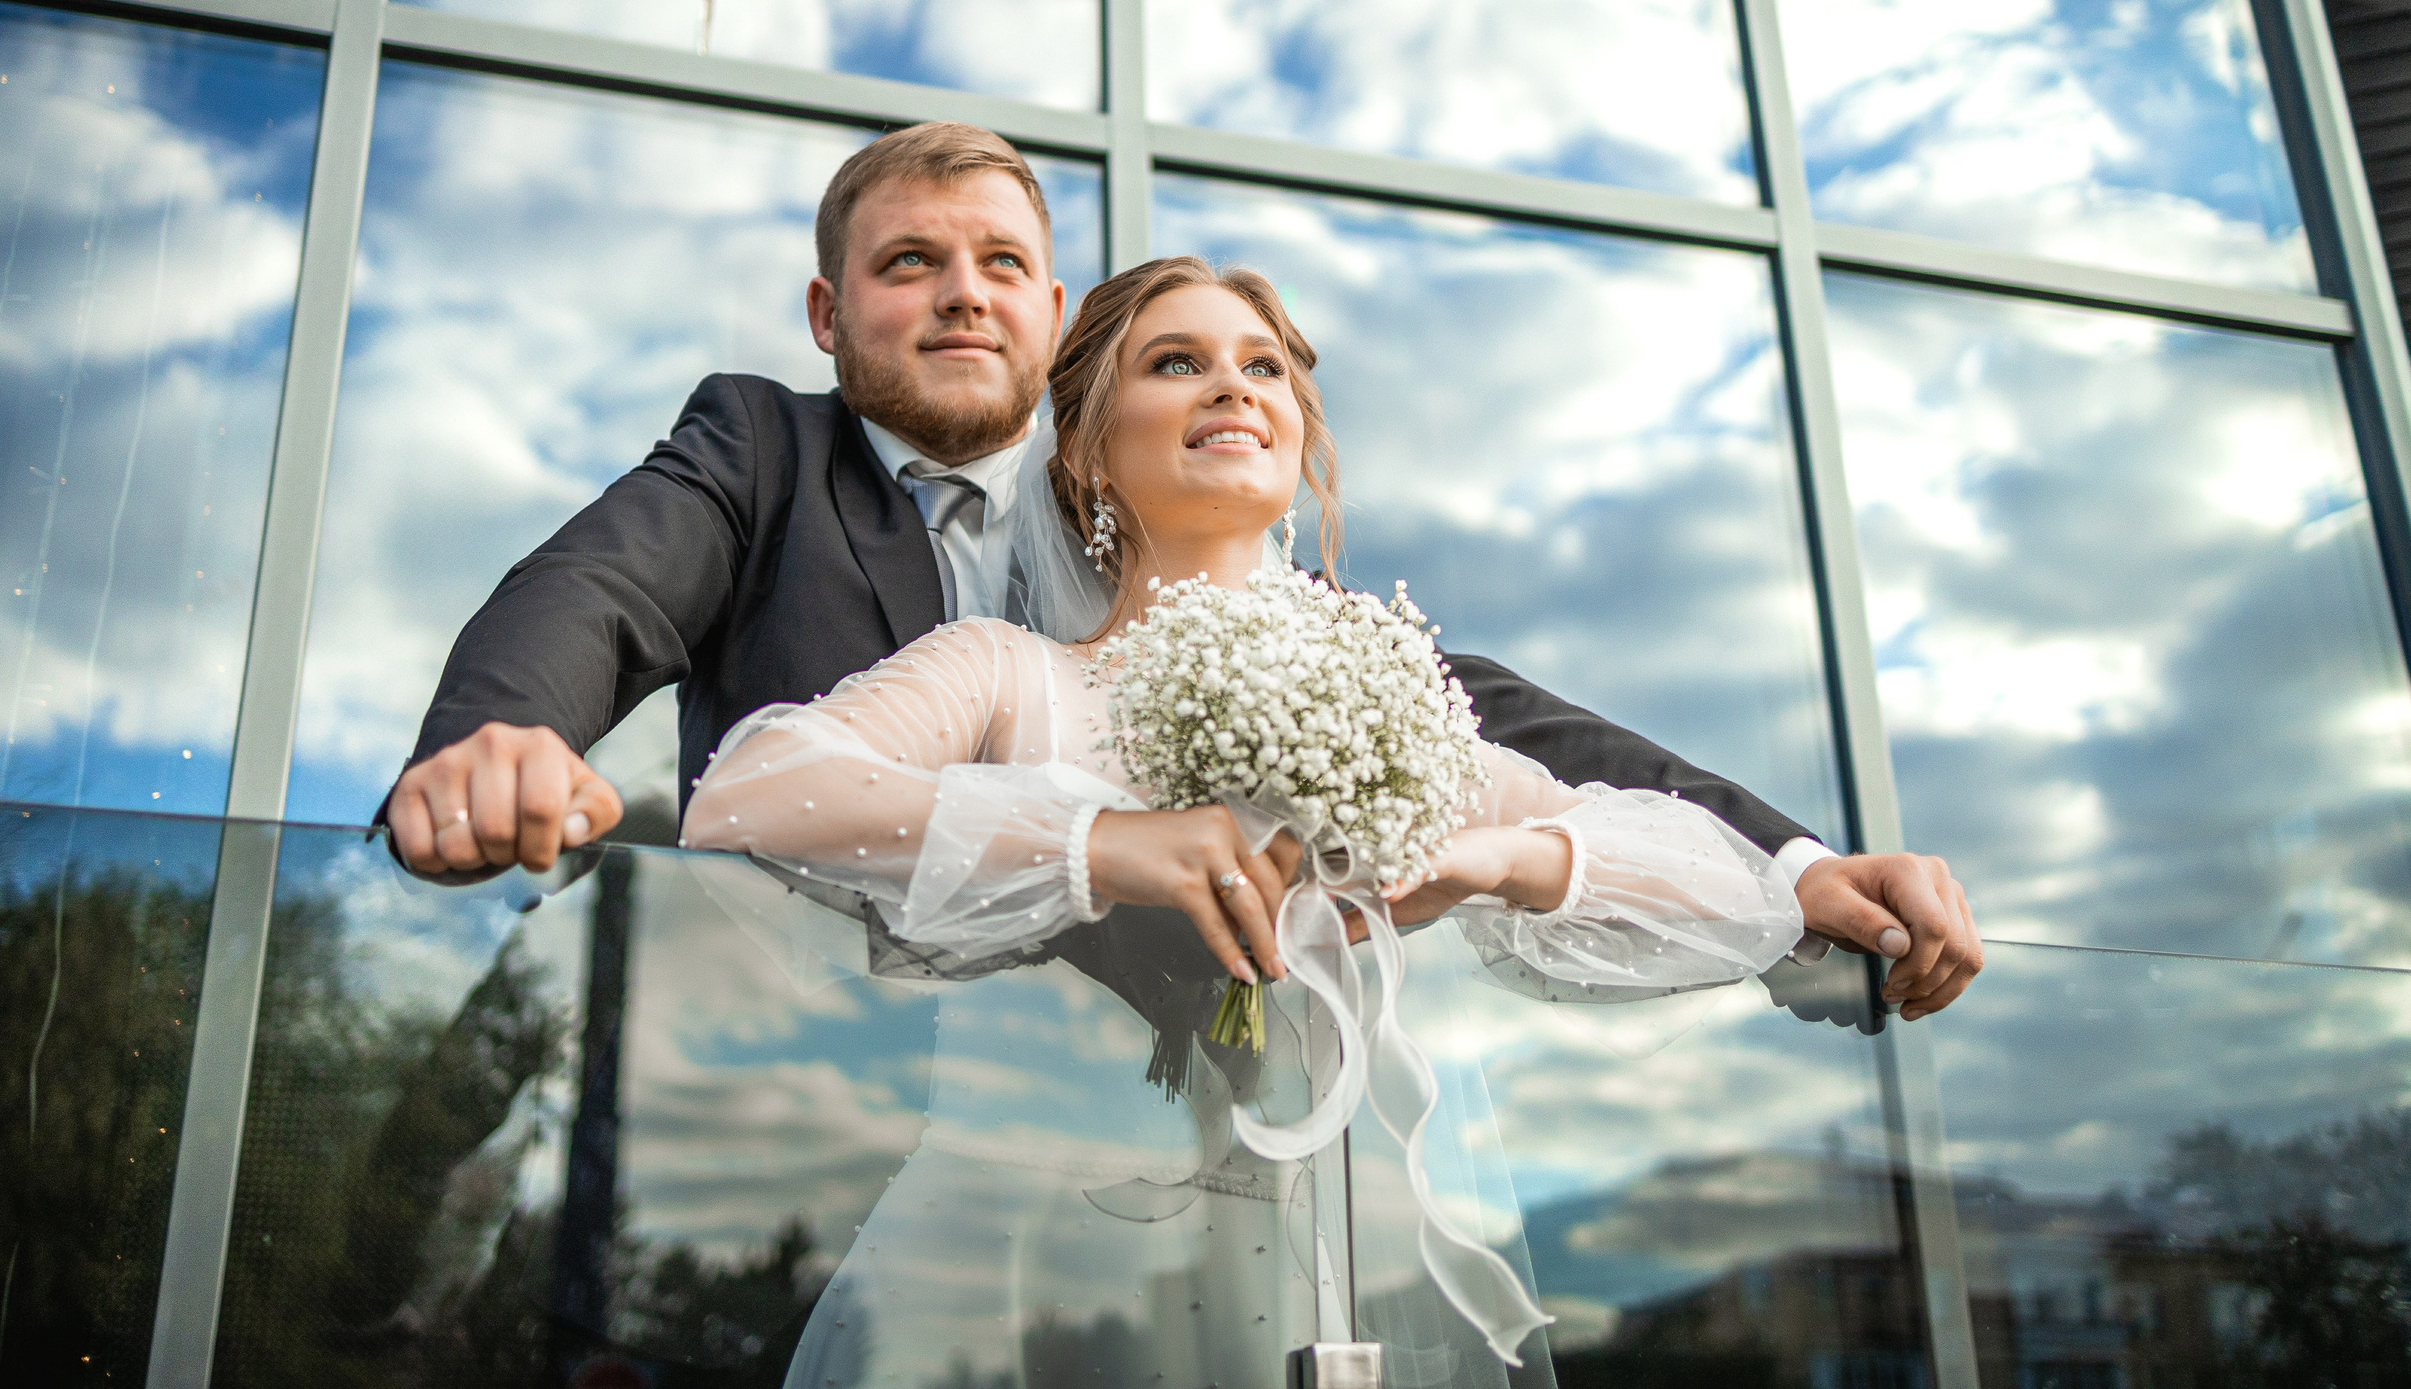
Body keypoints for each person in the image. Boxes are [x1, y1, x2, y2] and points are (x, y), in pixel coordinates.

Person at [381, 122, 1981, 1019]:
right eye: (908, 264)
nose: (960, 296)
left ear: (1049, 302)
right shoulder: (764, 452)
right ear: (826, 312)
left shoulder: (1272, 606)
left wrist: (1792, 864)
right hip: (792, 1058)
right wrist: (502, 734)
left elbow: (1524, 741)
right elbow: (606, 587)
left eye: (1002, 261)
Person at [682, 256, 1814, 1381]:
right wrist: (1097, 844)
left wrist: (1500, 855)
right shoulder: (1008, 676)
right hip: (998, 1277)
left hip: (1304, 1265)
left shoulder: (1384, 729)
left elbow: (1728, 892)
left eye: (1262, 367)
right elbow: (750, 795)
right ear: (1082, 452)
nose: (1234, 387)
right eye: (1178, 363)